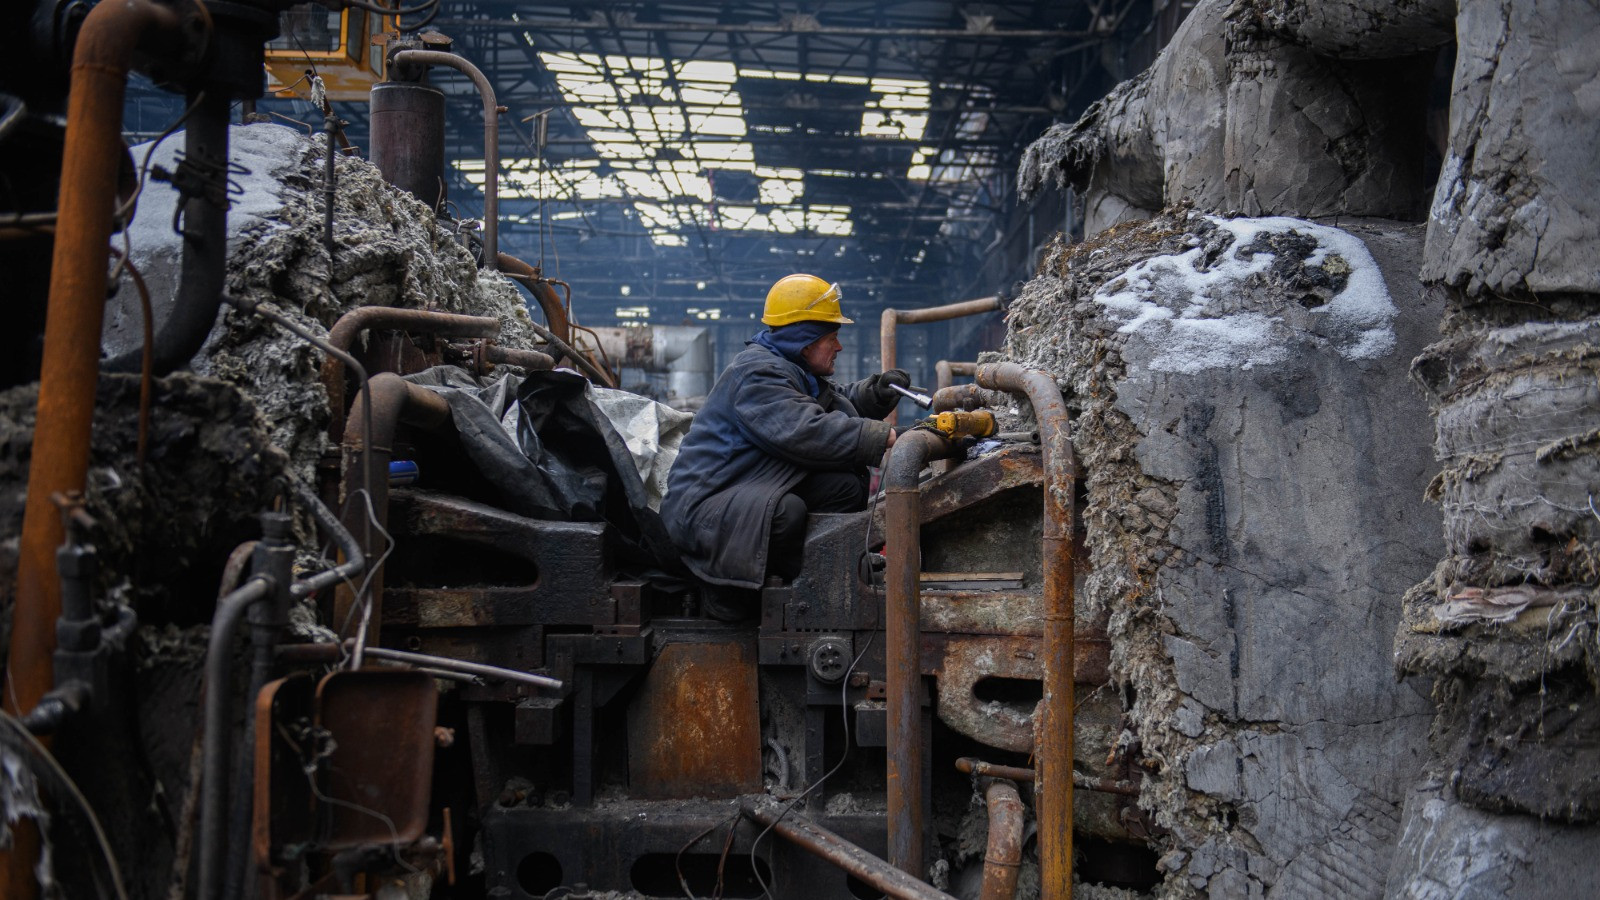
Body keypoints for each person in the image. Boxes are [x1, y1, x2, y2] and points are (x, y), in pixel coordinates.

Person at [662, 274, 911, 620]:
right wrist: (889, 437)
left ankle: (816, 570)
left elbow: (831, 402)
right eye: (832, 338)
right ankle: (729, 592)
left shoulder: (789, 366)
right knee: (783, 513)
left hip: (741, 488)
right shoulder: (757, 374)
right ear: (805, 342)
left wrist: (876, 394)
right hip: (705, 509)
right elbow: (804, 430)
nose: (839, 347)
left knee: (845, 487)